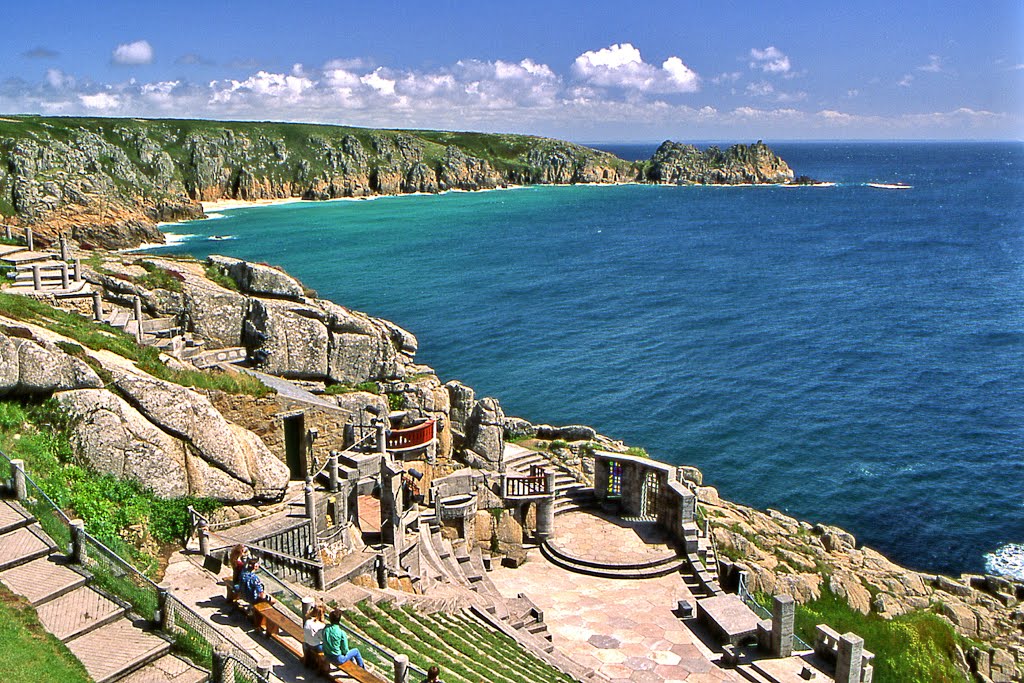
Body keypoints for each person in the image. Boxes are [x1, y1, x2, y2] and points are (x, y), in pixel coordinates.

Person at [302, 603, 327, 668]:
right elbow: (322, 638)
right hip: (316, 646)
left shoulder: (308, 621)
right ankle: (323, 668)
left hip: (307, 643)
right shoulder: (321, 625)